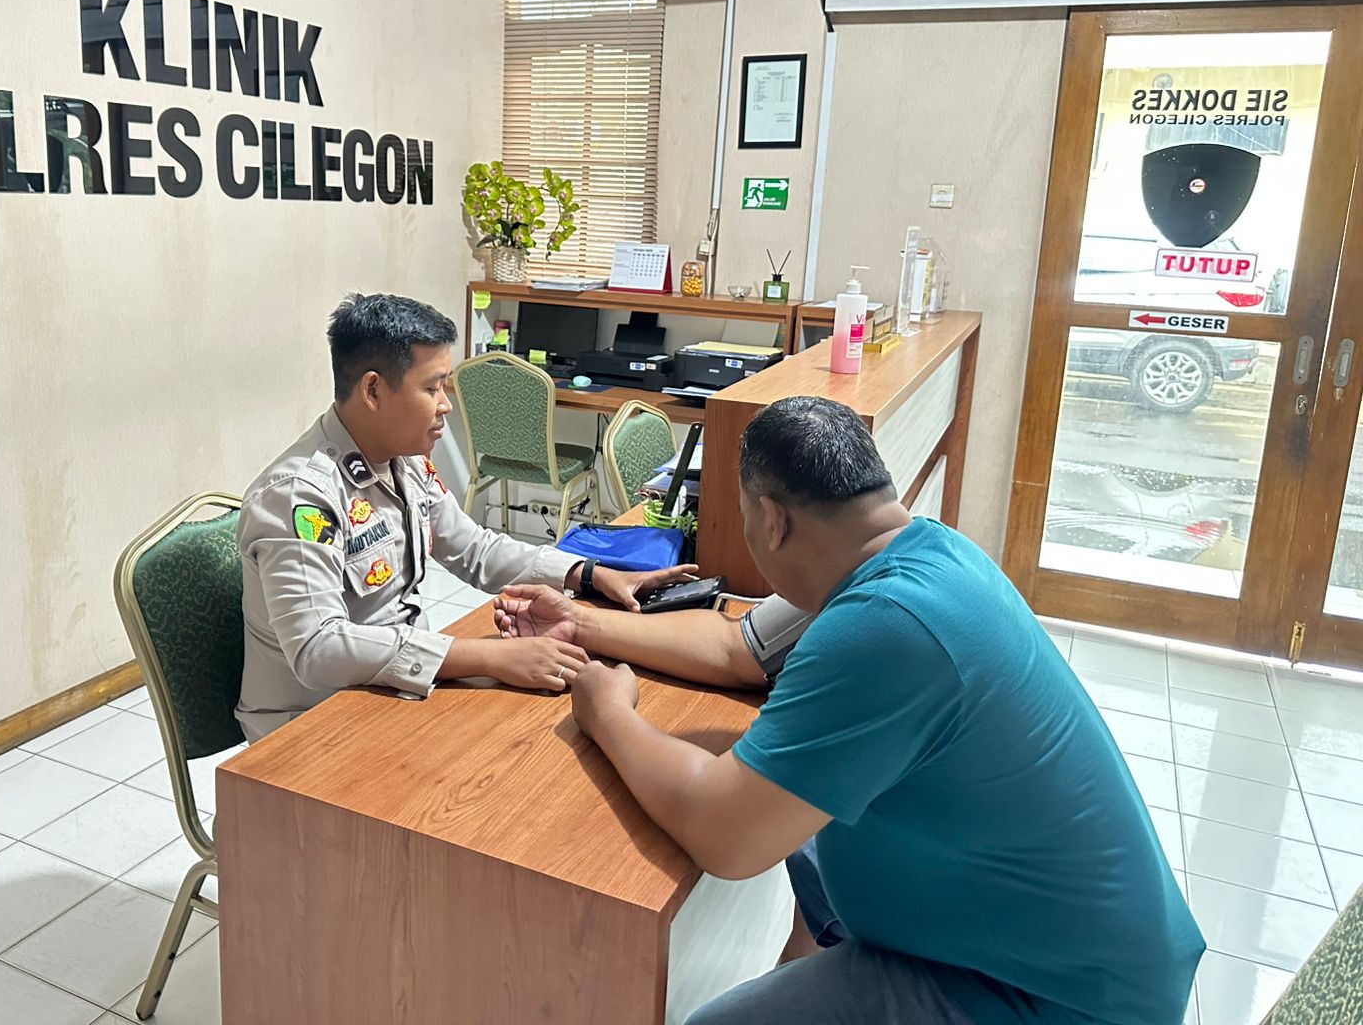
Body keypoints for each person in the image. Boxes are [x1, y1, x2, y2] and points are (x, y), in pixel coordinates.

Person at [509, 396, 1203, 1024]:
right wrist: (581, 623)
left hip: (1049, 997)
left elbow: (727, 836)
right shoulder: (920, 552)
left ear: (772, 520)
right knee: (811, 843)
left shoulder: (885, 625)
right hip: (1062, 951)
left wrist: (607, 711)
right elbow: (735, 650)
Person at [234, 292, 695, 742]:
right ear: (373, 390)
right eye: (432, 387)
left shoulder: (403, 460)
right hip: (309, 728)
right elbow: (318, 648)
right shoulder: (300, 496)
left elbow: (474, 549)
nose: (446, 404)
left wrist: (588, 573)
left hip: (391, 691)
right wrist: (490, 658)